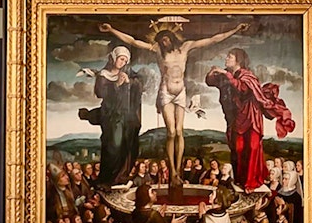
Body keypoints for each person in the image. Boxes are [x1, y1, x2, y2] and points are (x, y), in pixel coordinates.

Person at [100, 21, 248, 181]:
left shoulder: (185, 47)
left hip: (181, 92)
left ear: (171, 38)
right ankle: (173, 171)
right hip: (166, 92)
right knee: (171, 132)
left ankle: (177, 169)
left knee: (179, 132)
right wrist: (112, 29)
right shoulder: (158, 51)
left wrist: (235, 29)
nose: (164, 43)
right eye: (161, 41)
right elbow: (133, 42)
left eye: (166, 39)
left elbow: (213, 39)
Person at [206, 48, 296, 191]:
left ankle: (251, 183)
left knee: (252, 147)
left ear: (238, 60)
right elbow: (210, 81)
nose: (226, 59)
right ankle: (241, 180)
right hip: (237, 118)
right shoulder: (226, 75)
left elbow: (242, 89)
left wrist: (225, 74)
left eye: (229, 57)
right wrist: (212, 73)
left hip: (251, 115)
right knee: (238, 148)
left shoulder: (248, 76)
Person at [78, 46, 143, 187]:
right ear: (114, 58)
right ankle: (108, 179)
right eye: (121, 59)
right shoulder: (104, 74)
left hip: (126, 118)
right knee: (114, 145)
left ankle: (121, 176)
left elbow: (139, 85)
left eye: (125, 60)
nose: (123, 62)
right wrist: (117, 85)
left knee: (128, 146)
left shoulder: (128, 74)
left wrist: (129, 83)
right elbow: (101, 93)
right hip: (112, 118)